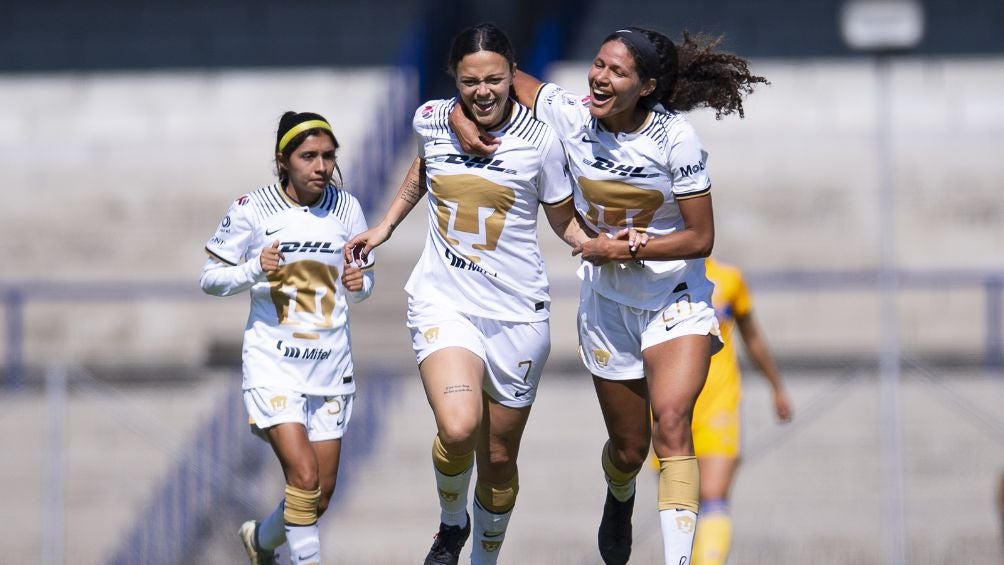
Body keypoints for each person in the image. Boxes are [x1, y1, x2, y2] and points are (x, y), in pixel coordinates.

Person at [451, 27, 768, 564]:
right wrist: (461, 114)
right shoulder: (568, 113)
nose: (599, 77)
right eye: (598, 64)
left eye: (616, 72)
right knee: (628, 450)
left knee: (672, 424)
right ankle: (619, 494)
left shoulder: (676, 141)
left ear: (645, 86)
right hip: (608, 305)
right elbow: (492, 81)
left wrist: (631, 249)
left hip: (675, 297)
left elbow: (700, 237)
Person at [344, 23, 592, 565]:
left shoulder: (542, 141)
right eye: (469, 81)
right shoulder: (432, 118)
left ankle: (483, 558)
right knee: (459, 428)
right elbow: (423, 165)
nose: (482, 91)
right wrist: (385, 225)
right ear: (454, 79)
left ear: (513, 76)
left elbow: (565, 222)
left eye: (495, 79)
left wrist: (601, 245)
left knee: (500, 458)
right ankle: (451, 522)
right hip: (444, 298)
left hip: (517, 313)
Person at [200, 111, 375, 565]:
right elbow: (211, 280)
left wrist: (362, 286)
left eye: (328, 156)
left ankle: (261, 541)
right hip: (273, 366)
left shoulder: (348, 208)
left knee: (318, 495)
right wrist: (254, 268)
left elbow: (362, 283)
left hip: (331, 366)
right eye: (309, 157)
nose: (321, 166)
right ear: (283, 161)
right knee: (302, 475)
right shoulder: (251, 209)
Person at [687, 257, 792, 564]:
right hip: (669, 407)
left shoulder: (728, 279)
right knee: (683, 505)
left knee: (713, 494)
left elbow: (752, 336)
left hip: (719, 400)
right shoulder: (652, 273)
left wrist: (776, 386)